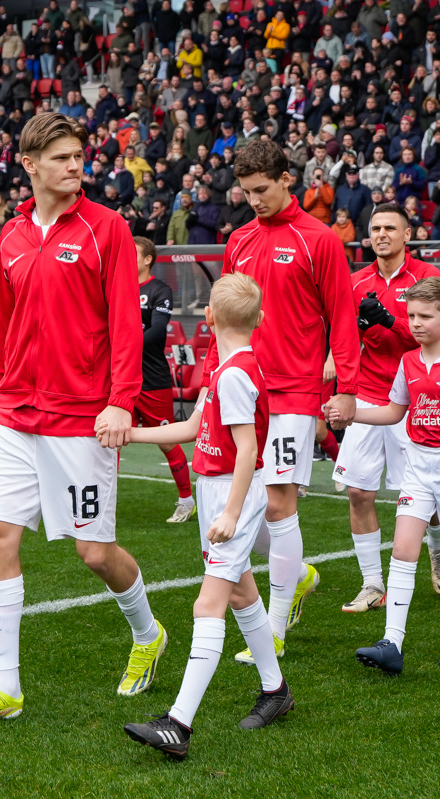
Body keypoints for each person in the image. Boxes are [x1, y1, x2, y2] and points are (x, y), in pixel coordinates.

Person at [0, 113, 165, 729]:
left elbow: (125, 322)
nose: (75, 166)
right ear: (30, 165)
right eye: (62, 158)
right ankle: (5, 687)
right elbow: (8, 319)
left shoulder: (107, 227)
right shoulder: (12, 233)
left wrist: (121, 399)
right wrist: (1, 387)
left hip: (81, 414)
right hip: (15, 411)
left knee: (94, 552)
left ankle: (147, 633)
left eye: (78, 156)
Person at [200, 140, 360, 663]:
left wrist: (346, 387)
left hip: (293, 389)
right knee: (251, 507)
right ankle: (299, 574)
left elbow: (341, 315)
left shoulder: (320, 239)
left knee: (276, 503)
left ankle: (274, 630)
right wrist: (211, 378)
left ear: (287, 179)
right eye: (246, 192)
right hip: (243, 387)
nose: (254, 200)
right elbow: (224, 315)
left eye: (262, 189)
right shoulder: (239, 239)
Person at [122, 273, 292, 760]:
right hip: (217, 488)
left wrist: (232, 514)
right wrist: (130, 434)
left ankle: (178, 724)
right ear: (259, 319)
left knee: (208, 604)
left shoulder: (235, 374)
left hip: (230, 494)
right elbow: (194, 427)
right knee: (241, 593)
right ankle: (276, 690)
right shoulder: (226, 368)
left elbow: (247, 451)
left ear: (209, 316)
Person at [342, 277, 440, 674]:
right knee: (404, 550)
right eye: (411, 316)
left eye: (425, 316)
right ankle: (392, 642)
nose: (416, 323)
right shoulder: (408, 361)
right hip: (418, 467)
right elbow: (394, 411)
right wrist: (353, 413)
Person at [331, 204, 440, 613]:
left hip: (416, 398)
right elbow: (343, 338)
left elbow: (435, 340)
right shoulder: (356, 281)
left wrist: (389, 321)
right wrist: (356, 329)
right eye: (376, 228)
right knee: (359, 492)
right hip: (367, 394)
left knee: (424, 495)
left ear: (407, 234)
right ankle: (372, 583)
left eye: (390, 228)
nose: (381, 234)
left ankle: (437, 550)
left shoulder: (427, 277)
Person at [133, 236, 195, 523]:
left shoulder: (160, 289)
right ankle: (104, 500)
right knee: (109, 439)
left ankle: (186, 500)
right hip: (120, 378)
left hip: (152, 379)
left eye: (133, 254)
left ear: (148, 259)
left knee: (167, 442)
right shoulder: (117, 286)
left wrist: (125, 348)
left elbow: (158, 330)